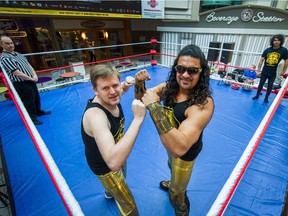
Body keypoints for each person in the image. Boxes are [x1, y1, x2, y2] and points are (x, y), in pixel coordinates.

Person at [134, 44, 214, 215]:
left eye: (192, 70)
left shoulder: (202, 104)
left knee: (177, 195)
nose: (185, 75)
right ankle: (173, 182)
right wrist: (139, 84)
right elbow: (142, 98)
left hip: (185, 154)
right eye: (181, 68)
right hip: (169, 144)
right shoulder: (170, 87)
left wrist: (154, 107)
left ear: (202, 73)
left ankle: (182, 210)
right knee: (170, 165)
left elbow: (179, 148)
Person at [81, 64, 146, 216]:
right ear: (95, 90)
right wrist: (138, 119)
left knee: (123, 173)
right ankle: (112, 190)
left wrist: (125, 85)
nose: (112, 92)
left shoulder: (114, 94)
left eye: (115, 85)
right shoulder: (96, 116)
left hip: (117, 148)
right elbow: (114, 163)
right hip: (106, 166)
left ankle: (110, 192)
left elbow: (119, 90)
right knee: (129, 206)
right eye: (105, 88)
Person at [0, 35, 51, 125]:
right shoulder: (5, 58)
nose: (10, 45)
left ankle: (38, 111)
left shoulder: (18, 54)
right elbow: (16, 72)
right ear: (1, 45)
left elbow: (28, 65)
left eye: (11, 43)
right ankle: (32, 118)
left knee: (36, 97)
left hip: (30, 80)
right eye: (7, 43)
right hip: (21, 83)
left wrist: (35, 76)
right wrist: (31, 78)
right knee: (28, 101)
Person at [252, 34, 288, 103]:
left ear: (281, 41)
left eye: (278, 40)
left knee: (270, 85)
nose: (276, 42)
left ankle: (266, 98)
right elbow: (261, 60)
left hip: (273, 72)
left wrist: (283, 71)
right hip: (265, 71)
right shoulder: (267, 50)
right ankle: (257, 95)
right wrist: (258, 71)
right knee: (261, 84)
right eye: (275, 40)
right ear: (272, 41)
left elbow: (286, 61)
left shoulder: (284, 50)